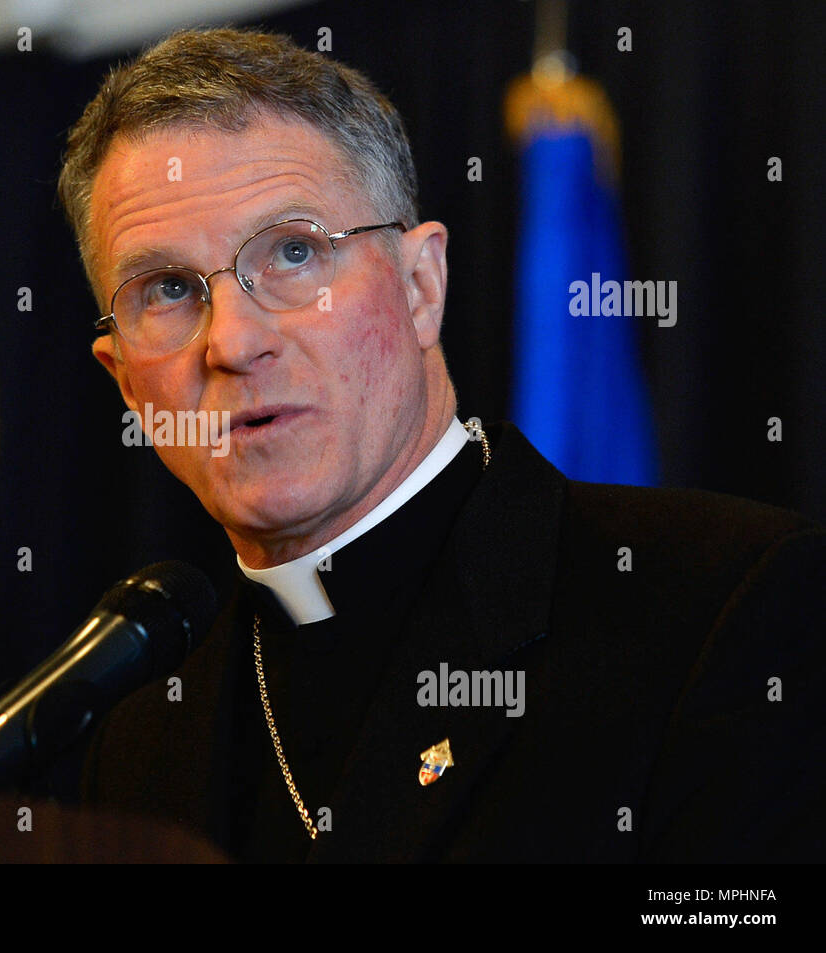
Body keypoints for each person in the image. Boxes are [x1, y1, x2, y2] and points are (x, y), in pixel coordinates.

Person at [54, 27, 825, 862]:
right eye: (168, 289)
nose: (233, 342)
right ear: (127, 379)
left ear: (422, 287)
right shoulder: (132, 752)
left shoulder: (724, 605)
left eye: (293, 251)